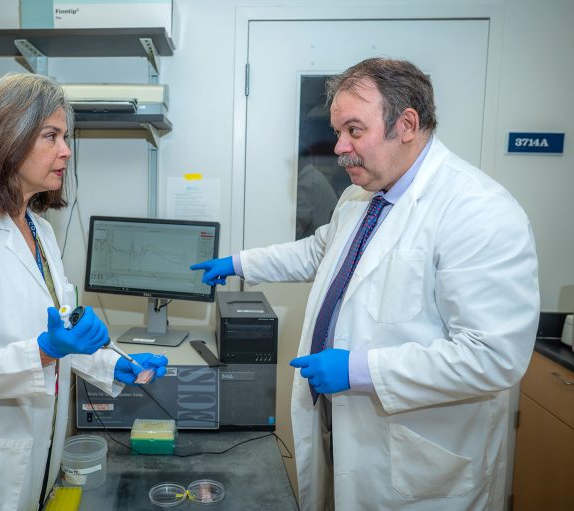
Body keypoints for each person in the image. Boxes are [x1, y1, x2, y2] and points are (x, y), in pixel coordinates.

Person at [191, 58, 539, 511]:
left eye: (354, 130)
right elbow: (319, 252)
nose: (339, 147)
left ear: (407, 124)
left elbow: (493, 357)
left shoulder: (478, 210)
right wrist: (239, 262)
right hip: (347, 432)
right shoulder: (361, 197)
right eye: (339, 132)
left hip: (420, 460)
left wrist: (360, 370)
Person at [0, 73, 168, 511]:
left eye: (65, 136)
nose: (66, 151)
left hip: (29, 456)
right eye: (51, 136)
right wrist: (43, 351)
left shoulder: (37, 229)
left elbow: (60, 332)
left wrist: (117, 364)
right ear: (6, 140)